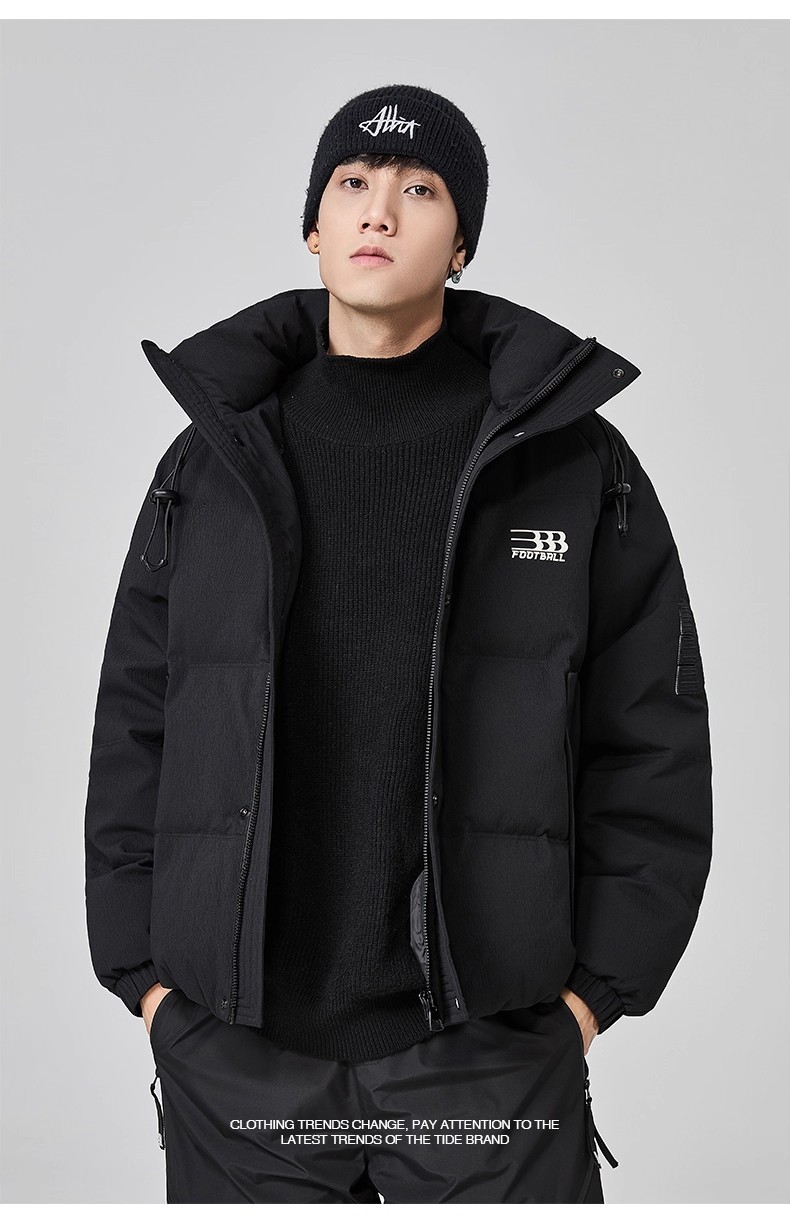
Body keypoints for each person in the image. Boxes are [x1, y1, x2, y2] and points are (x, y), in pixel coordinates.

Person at [83, 83, 714, 1204]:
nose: (379, 210)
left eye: (420, 189)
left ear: (461, 242)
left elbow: (650, 738)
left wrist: (586, 1000)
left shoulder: (567, 462)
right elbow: (138, 717)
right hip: (242, 1050)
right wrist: (149, 981)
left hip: (485, 1054)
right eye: (353, 183)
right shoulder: (213, 461)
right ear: (314, 226)